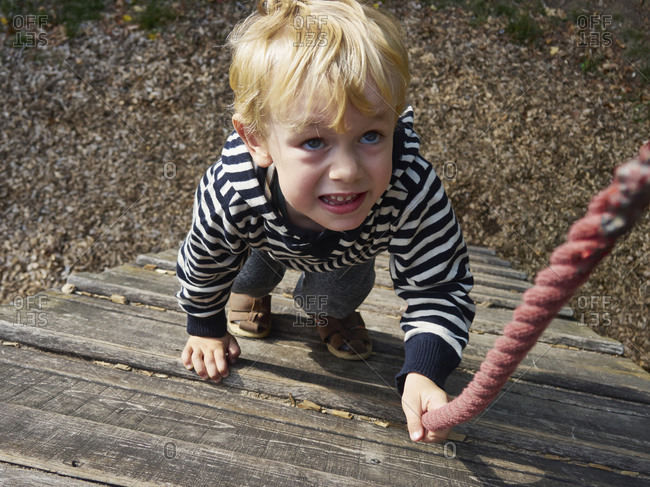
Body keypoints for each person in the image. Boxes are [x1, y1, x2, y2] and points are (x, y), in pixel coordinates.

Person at [176, 0, 475, 443]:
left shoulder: (409, 187)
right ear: (258, 140)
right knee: (246, 271)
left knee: (339, 287)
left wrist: (425, 371)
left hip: (352, 247)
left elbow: (439, 284)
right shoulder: (233, 192)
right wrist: (204, 325)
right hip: (262, 236)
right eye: (314, 141)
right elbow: (205, 258)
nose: (347, 171)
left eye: (371, 136)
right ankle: (250, 293)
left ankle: (325, 312)